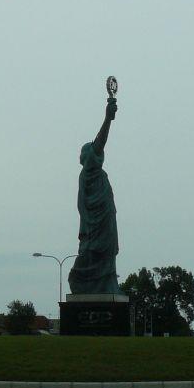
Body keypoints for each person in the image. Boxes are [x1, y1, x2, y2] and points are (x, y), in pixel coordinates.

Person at [67, 97, 122, 295]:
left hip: (105, 220)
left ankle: (107, 284)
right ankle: (84, 281)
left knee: (106, 254)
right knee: (91, 252)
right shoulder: (89, 172)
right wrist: (107, 119)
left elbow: (98, 145)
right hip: (94, 224)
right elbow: (100, 142)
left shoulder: (96, 174)